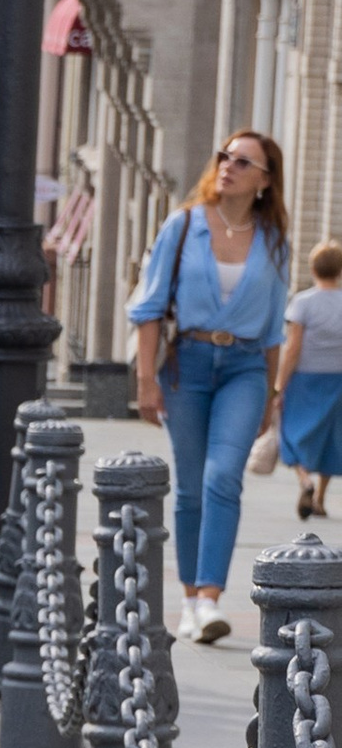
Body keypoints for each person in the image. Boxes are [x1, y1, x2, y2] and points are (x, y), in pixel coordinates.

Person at [130, 129, 292, 641]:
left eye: (244, 162)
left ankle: (209, 599)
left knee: (225, 476)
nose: (228, 166)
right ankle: (187, 599)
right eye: (224, 156)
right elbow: (150, 308)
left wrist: (270, 394)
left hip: (245, 368)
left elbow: (272, 331)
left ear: (265, 181)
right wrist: (145, 380)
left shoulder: (274, 241)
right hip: (189, 365)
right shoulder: (183, 226)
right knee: (191, 485)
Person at [278, 234, 342, 520]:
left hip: (304, 378)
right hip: (337, 379)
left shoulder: (302, 303)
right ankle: (320, 498)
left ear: (313, 269)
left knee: (291, 431)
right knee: (331, 437)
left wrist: (279, 383)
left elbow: (293, 348)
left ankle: (305, 481)